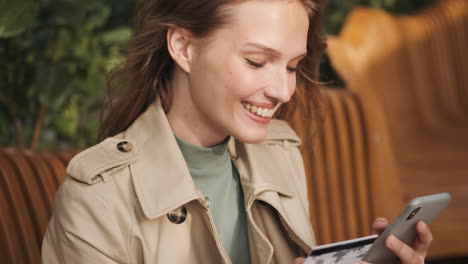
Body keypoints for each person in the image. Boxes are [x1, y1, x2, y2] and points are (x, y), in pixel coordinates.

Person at [41, 0, 434, 263]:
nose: (283, 91)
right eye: (257, 61)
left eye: (293, 66)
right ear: (183, 47)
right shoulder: (96, 198)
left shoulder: (280, 154)